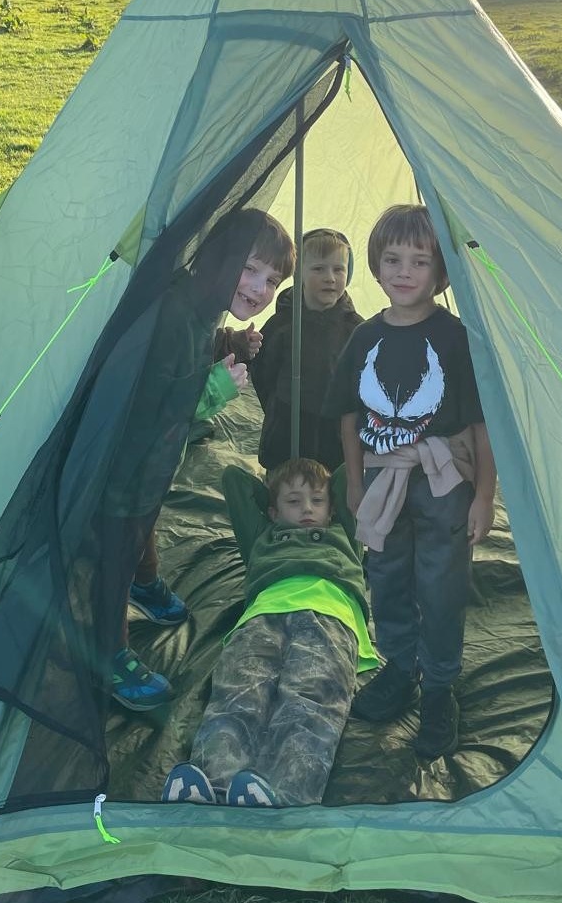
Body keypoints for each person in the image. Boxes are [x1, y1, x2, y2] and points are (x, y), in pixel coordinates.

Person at [325, 203, 496, 760]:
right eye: (392, 259)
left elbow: (480, 422)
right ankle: (399, 669)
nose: (404, 271)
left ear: (442, 274)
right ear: (374, 265)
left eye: (420, 262)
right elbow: (349, 415)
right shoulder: (364, 339)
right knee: (387, 577)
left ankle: (440, 687)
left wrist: (484, 497)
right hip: (381, 481)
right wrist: (354, 485)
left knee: (441, 587)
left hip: (443, 483)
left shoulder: (456, 338)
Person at [109, 208, 295, 711]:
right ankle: (109, 651)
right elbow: (153, 398)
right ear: (220, 256)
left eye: (272, 280)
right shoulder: (172, 311)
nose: (259, 288)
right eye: (251, 269)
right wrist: (214, 387)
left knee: (145, 516)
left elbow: (200, 341)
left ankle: (144, 584)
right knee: (115, 547)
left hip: (153, 464)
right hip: (124, 461)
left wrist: (231, 343)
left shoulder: (202, 303)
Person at [161, 458, 377, 806]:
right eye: (294, 501)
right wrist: (276, 492)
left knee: (310, 698)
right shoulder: (264, 536)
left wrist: (315, 487)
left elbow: (350, 474)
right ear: (273, 511)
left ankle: (287, 793)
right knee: (239, 691)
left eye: (317, 501)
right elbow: (233, 480)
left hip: (329, 614)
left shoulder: (344, 533)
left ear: (333, 507)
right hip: (263, 614)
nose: (307, 508)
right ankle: (214, 782)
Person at [249, 228, 363, 472]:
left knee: (333, 486)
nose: (330, 277)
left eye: (338, 269)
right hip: (288, 425)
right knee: (286, 481)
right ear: (299, 273)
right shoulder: (282, 324)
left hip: (335, 430)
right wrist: (278, 409)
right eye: (318, 268)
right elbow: (263, 373)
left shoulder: (355, 328)